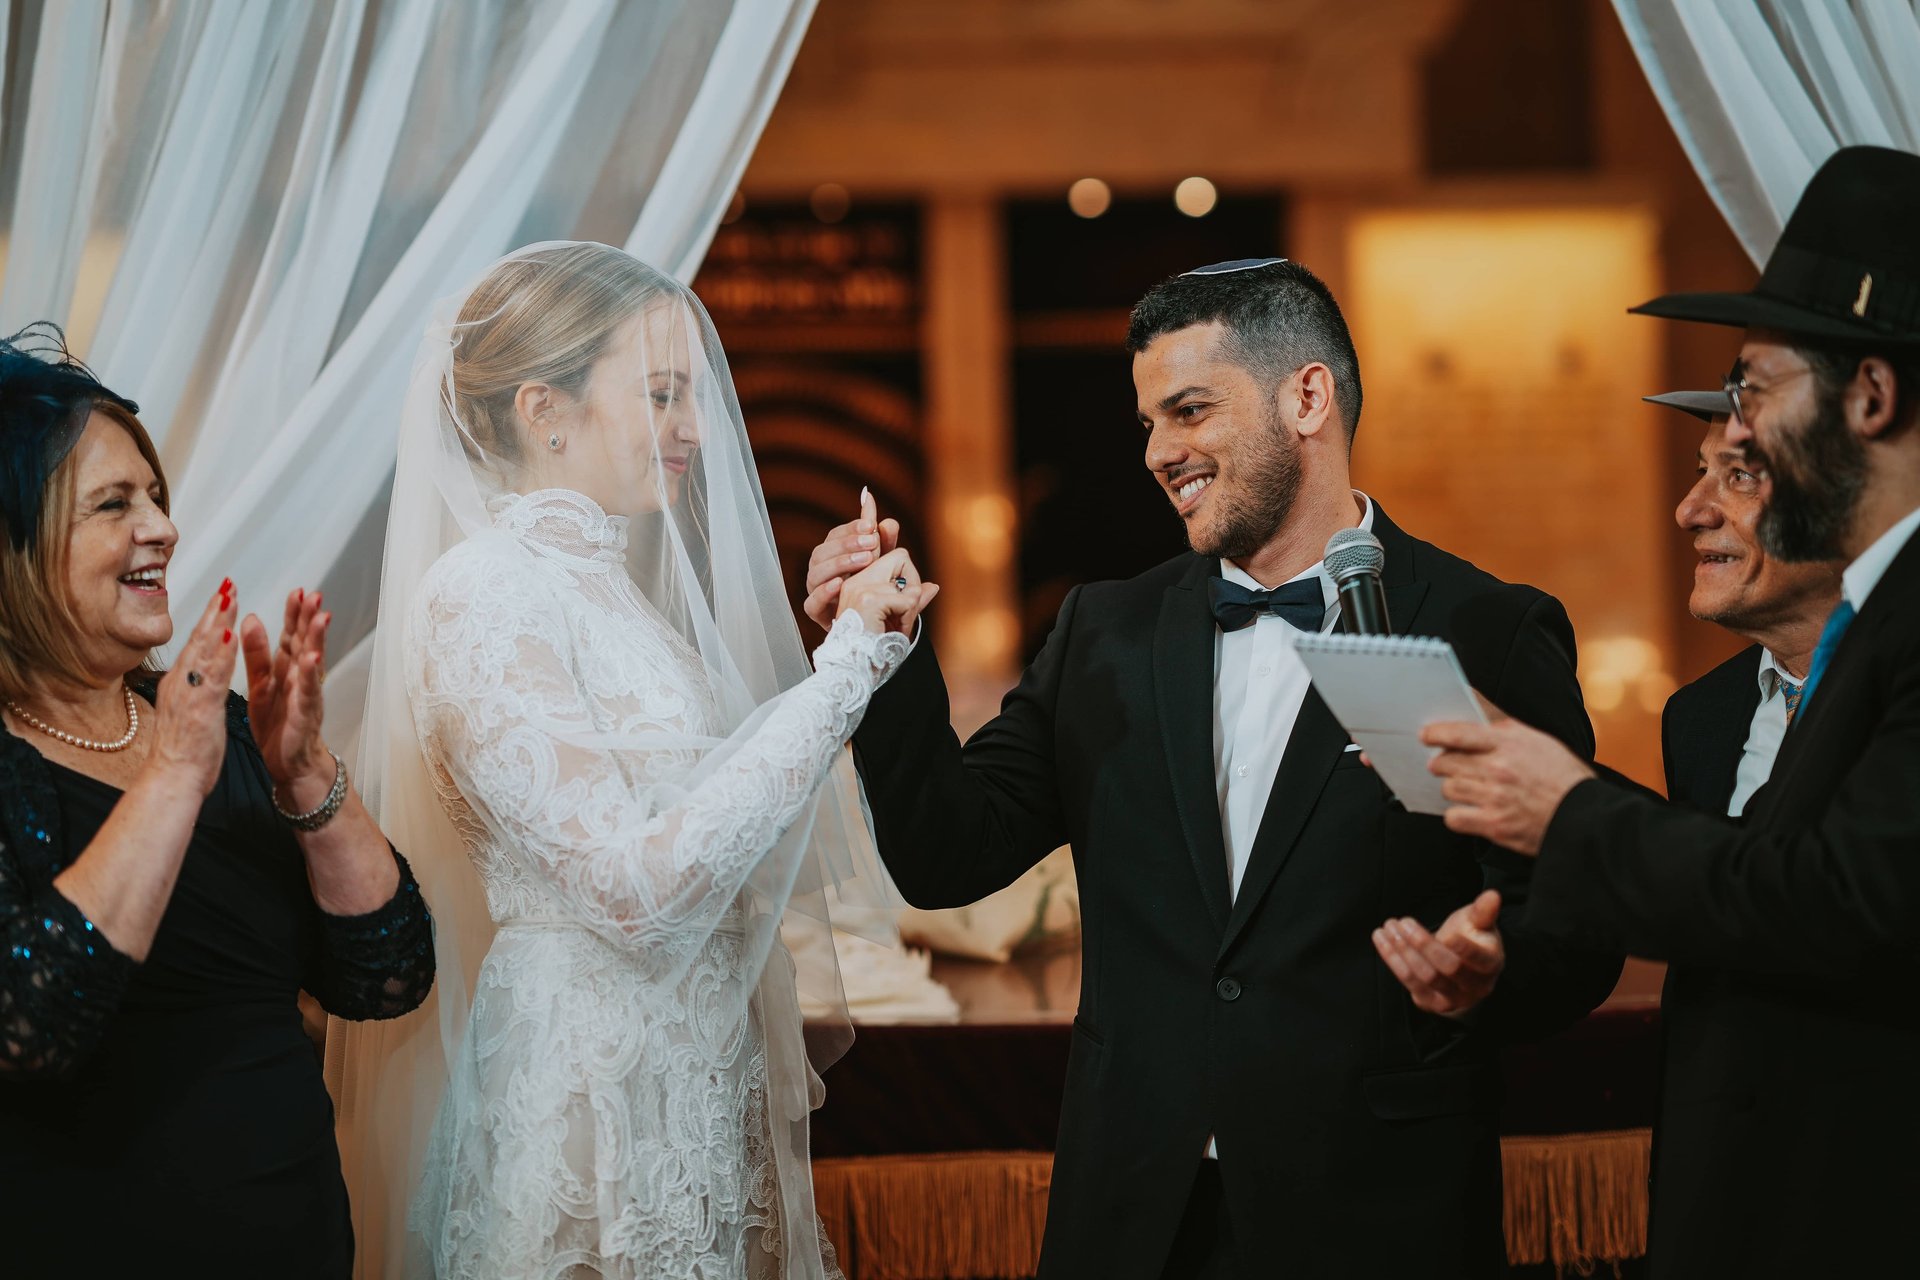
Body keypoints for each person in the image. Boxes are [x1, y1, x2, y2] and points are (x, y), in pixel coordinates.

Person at [804, 258, 1621, 1278]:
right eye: (1149, 423)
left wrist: (1494, 975)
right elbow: (946, 857)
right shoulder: (1105, 632)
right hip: (1134, 1216)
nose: (1159, 452)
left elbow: (1576, 923)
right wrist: (882, 657)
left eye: (1189, 411)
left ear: (1307, 398)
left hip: (1376, 1215)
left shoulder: (1485, 628)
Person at [333, 242, 931, 1280]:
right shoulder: (484, 592)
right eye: (662, 394)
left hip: (696, 1078)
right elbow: (633, 888)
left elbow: (729, 831)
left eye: (691, 393)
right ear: (544, 411)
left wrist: (832, 644)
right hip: (592, 1094)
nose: (695, 426)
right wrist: (841, 674)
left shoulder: (620, 600)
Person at [1421, 145, 1920, 1275]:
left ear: (1871, 398)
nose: (1736, 433)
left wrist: (1568, 806)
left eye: (1754, 390)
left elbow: (1835, 899)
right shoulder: (1783, 675)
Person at [0, 324, 434, 1277]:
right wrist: (171, 778)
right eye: (114, 504)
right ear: (13, 547)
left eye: (155, 496)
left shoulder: (215, 721)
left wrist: (305, 776)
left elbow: (389, 974)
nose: (162, 527)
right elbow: (30, 1024)